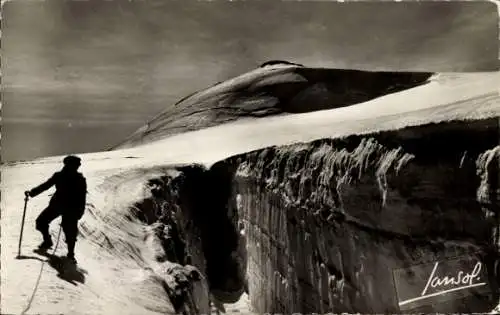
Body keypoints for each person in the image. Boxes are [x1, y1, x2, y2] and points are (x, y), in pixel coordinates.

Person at [24, 155, 87, 263]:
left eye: (77, 165)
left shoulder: (78, 179)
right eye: (76, 165)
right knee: (41, 222)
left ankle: (70, 254)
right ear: (69, 165)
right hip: (61, 206)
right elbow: (46, 185)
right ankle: (48, 241)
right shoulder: (63, 176)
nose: (78, 166)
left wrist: (80, 211)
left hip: (67, 208)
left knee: (69, 231)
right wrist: (32, 192)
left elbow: (82, 197)